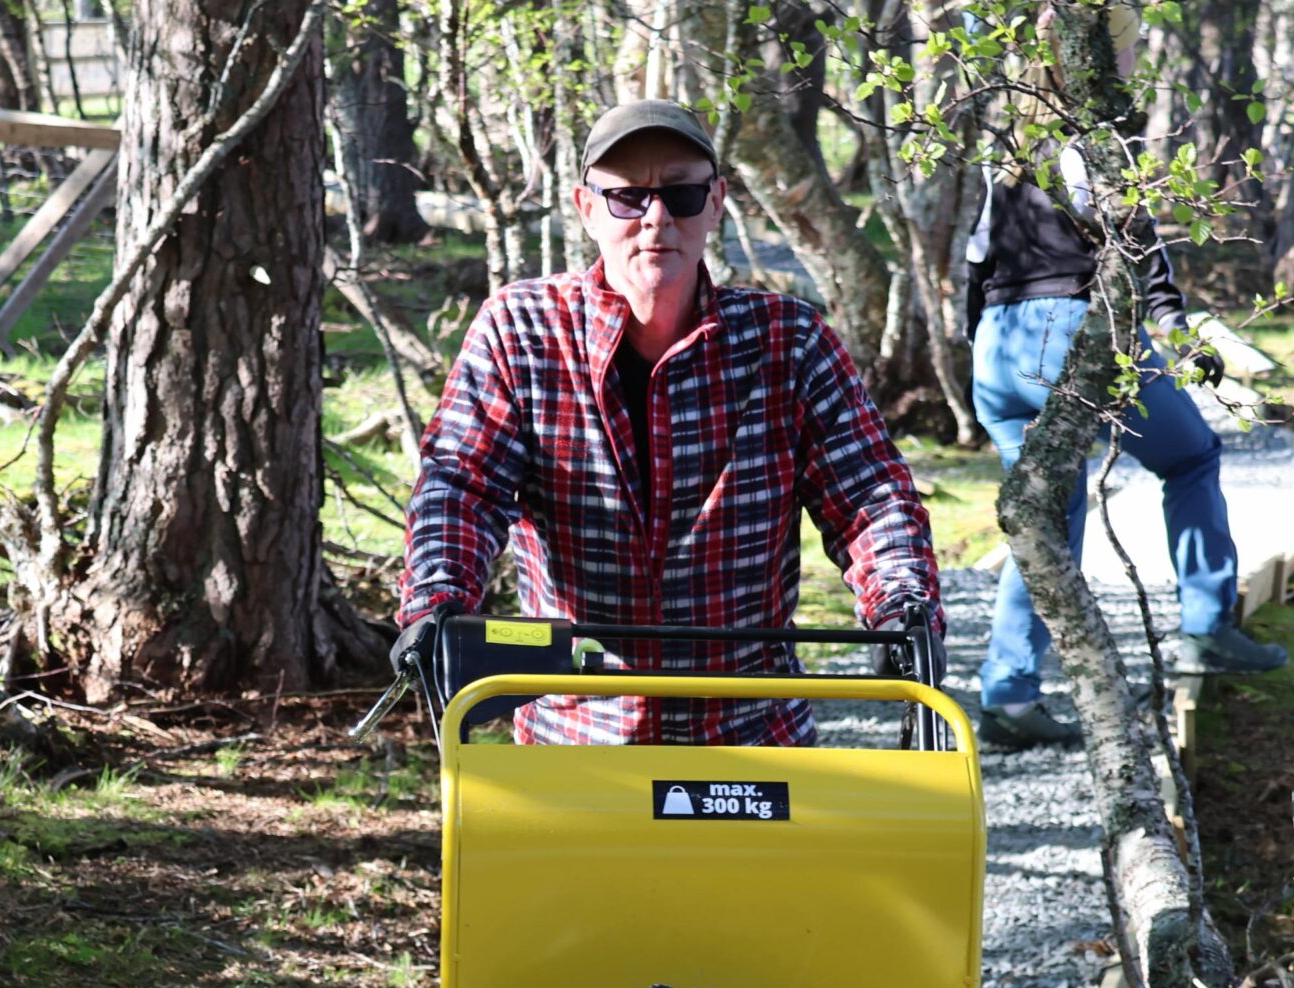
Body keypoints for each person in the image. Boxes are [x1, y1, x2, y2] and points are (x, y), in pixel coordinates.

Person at [395, 99, 943, 747]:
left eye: (681, 194)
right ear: (587, 208)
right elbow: (462, 487)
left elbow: (869, 499)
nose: (656, 217)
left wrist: (903, 605)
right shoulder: (521, 331)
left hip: (751, 737)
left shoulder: (789, 342)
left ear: (715, 204)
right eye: (628, 197)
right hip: (576, 740)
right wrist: (436, 600)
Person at [966, 149, 1287, 754]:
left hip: (995, 346)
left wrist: (978, 351)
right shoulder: (1097, 141)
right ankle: (1206, 627)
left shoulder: (1000, 153)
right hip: (1069, 326)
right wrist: (1180, 335)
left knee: (1042, 521)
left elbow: (975, 262)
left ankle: (1008, 698)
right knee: (1191, 459)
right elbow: (1136, 245)